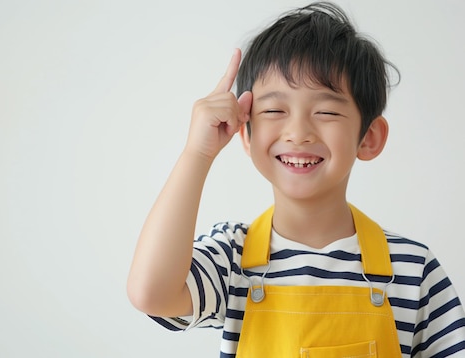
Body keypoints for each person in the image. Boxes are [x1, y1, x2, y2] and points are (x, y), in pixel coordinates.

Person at [126, 1, 465, 357]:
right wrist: (197, 154)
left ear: (369, 137)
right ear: (246, 133)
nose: (298, 132)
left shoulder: (412, 269)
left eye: (327, 111)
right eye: (274, 110)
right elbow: (151, 293)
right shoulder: (233, 259)